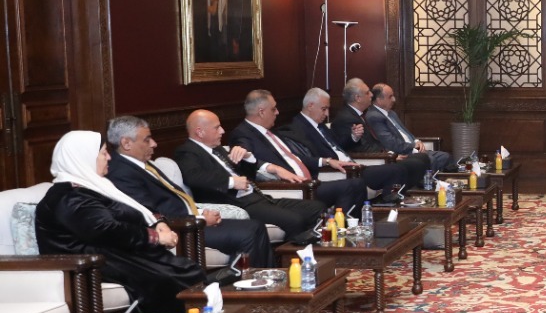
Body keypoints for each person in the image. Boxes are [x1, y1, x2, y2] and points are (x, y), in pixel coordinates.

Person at [35, 131, 205, 313]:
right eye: (103, 153)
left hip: (115, 252)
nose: (109, 157)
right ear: (83, 158)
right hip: (89, 263)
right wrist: (156, 237)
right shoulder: (68, 196)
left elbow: (134, 208)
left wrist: (158, 222)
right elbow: (106, 230)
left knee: (187, 270)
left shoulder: (95, 186)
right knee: (170, 279)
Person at [104, 115, 272, 271]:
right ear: (126, 143)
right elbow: (148, 213)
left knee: (255, 226)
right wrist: (199, 219)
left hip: (190, 219)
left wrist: (200, 212)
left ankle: (262, 281)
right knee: (249, 232)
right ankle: (246, 285)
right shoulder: (121, 173)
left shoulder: (142, 165)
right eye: (147, 139)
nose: (154, 144)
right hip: (181, 228)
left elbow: (173, 200)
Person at [173, 109, 326, 243]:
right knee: (295, 220)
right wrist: (231, 182)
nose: (222, 131)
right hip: (239, 204)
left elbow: (248, 176)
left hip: (259, 197)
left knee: (316, 207)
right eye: (217, 127)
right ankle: (295, 257)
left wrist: (248, 157)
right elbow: (194, 177)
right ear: (200, 132)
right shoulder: (187, 151)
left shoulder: (218, 149)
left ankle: (320, 251)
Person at [231, 89, 365, 214]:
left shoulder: (270, 132)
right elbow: (246, 157)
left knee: (357, 184)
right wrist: (274, 168)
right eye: (273, 109)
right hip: (294, 188)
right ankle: (339, 227)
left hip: (308, 182)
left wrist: (326, 161)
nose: (277, 112)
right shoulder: (243, 133)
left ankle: (341, 226)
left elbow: (295, 157)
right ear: (261, 112)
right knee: (353, 186)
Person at [277, 88, 415, 201]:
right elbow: (302, 157)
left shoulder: (320, 125)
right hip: (338, 171)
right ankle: (388, 205)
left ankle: (390, 203)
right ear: (310, 106)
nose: (327, 113)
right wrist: (327, 161)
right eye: (324, 109)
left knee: (399, 169)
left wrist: (353, 137)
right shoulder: (296, 129)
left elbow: (338, 145)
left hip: (352, 165)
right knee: (395, 171)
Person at [336, 79, 431, 185]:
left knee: (420, 158)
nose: (371, 95)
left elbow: (373, 142)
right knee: (416, 163)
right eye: (367, 93)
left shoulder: (359, 114)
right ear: (358, 98)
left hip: (381, 156)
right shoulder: (347, 118)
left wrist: (389, 153)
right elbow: (362, 147)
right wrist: (387, 155)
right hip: (368, 163)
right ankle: (401, 193)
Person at [367, 82, 453, 171]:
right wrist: (413, 146)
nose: (394, 99)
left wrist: (416, 141)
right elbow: (390, 142)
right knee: (431, 160)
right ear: (379, 100)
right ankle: (428, 180)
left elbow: (405, 132)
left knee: (445, 157)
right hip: (402, 152)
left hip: (412, 149)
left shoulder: (392, 113)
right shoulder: (374, 116)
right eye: (390, 97)